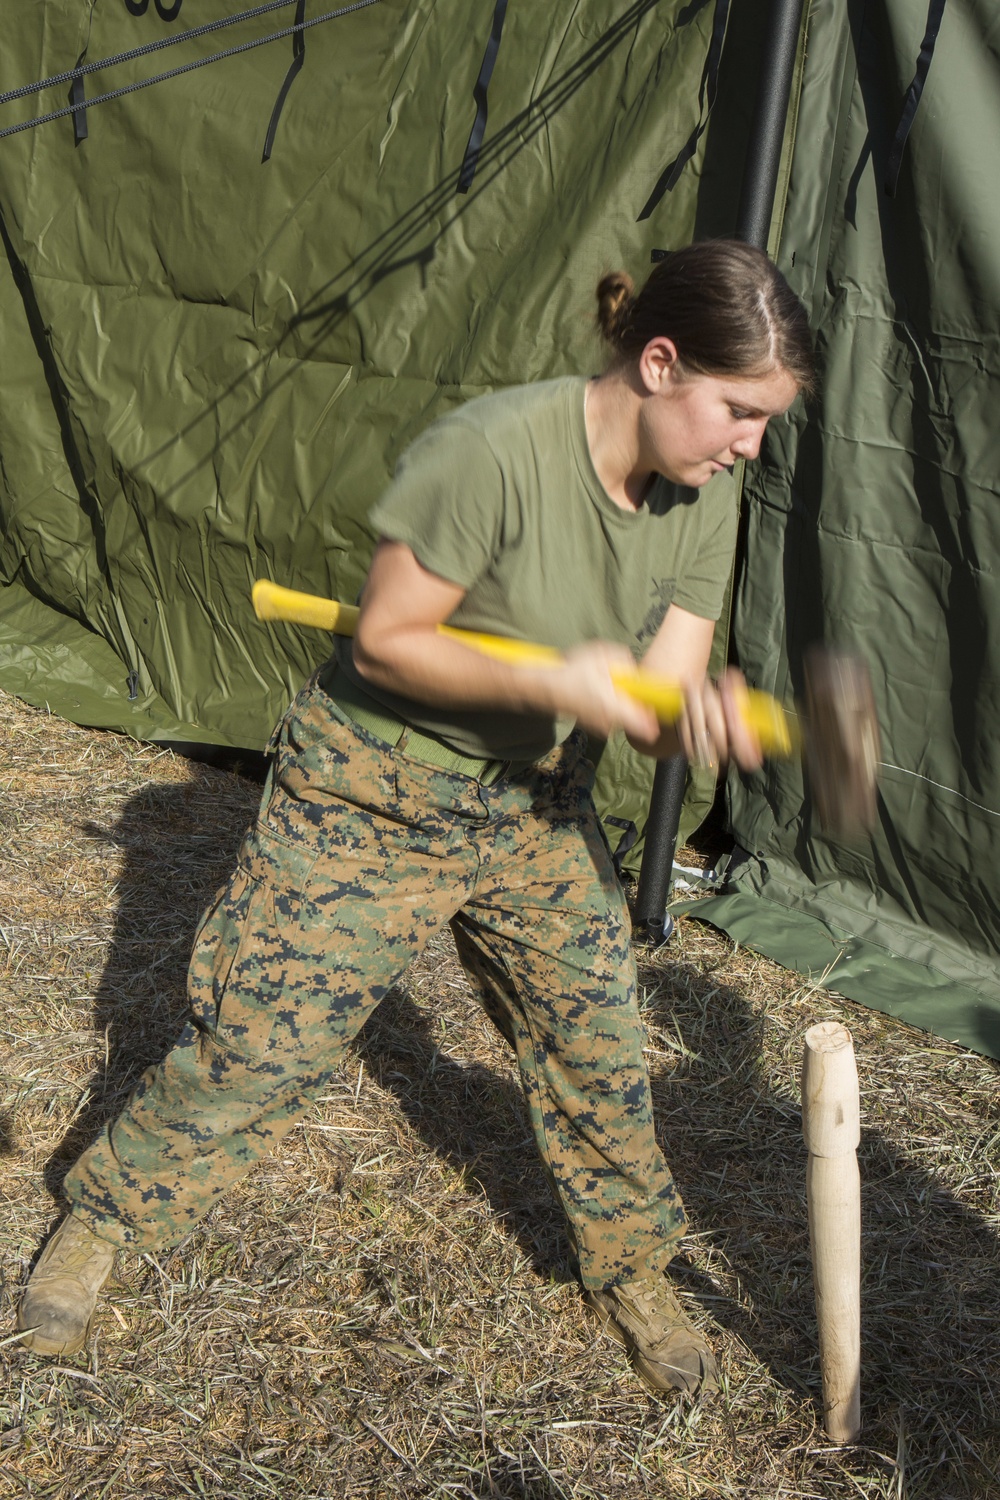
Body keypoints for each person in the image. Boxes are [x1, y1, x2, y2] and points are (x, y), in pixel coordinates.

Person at [17, 239, 814, 1396]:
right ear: (657, 363)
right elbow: (391, 640)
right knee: (261, 1042)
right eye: (739, 412)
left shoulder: (706, 494)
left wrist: (687, 719)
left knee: (594, 1044)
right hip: (373, 790)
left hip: (534, 806)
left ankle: (632, 1265)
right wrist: (553, 681)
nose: (749, 444)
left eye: (765, 424)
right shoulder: (489, 452)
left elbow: (655, 692)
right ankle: (106, 1217)